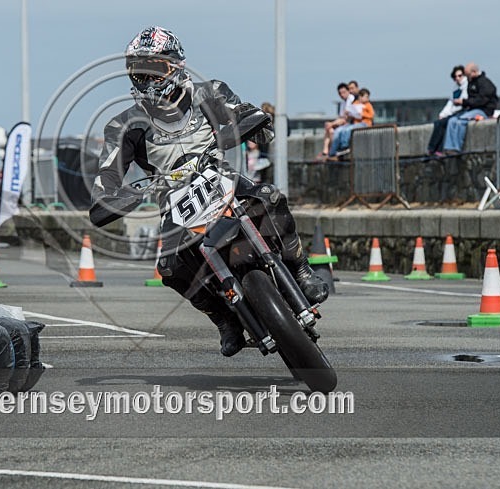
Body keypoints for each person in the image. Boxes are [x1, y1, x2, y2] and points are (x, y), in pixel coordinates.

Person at [90, 26, 328, 357]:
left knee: (270, 197)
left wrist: (253, 122)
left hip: (221, 179)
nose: (145, 79)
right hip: (175, 202)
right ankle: (223, 320)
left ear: (175, 65)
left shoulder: (209, 92)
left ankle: (300, 270)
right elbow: (107, 177)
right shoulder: (122, 125)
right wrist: (113, 198)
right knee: (169, 268)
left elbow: (257, 126)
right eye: (137, 72)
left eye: (153, 69)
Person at [443, 62, 498, 154]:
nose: (467, 78)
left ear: (474, 72)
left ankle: (456, 148)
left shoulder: (485, 83)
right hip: (472, 109)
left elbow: (480, 101)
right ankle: (449, 147)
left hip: (483, 111)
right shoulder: (471, 83)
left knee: (460, 121)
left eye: (468, 75)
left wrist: (464, 102)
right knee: (452, 121)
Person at [427, 65, 468, 156]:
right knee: (438, 123)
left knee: (444, 123)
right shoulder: (455, 88)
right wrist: (443, 113)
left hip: (460, 111)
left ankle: (433, 148)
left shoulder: (466, 86)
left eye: (460, 76)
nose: (457, 78)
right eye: (455, 77)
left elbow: (462, 101)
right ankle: (435, 149)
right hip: (453, 112)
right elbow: (450, 103)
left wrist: (450, 112)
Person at [329, 87, 374, 158]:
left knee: (348, 129)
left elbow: (371, 115)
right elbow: (351, 114)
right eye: (366, 97)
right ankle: (332, 152)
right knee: (339, 130)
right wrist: (349, 113)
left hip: (364, 123)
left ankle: (344, 146)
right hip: (356, 123)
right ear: (360, 97)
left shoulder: (368, 105)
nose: (368, 98)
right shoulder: (355, 103)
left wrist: (362, 113)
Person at [317, 83, 354, 160]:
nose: (342, 95)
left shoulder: (351, 99)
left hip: (349, 124)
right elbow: (341, 117)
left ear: (348, 91)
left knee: (332, 130)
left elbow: (345, 119)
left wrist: (332, 123)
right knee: (329, 128)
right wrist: (332, 123)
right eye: (340, 93)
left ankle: (333, 151)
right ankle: (326, 151)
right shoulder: (343, 102)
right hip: (344, 123)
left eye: (344, 92)